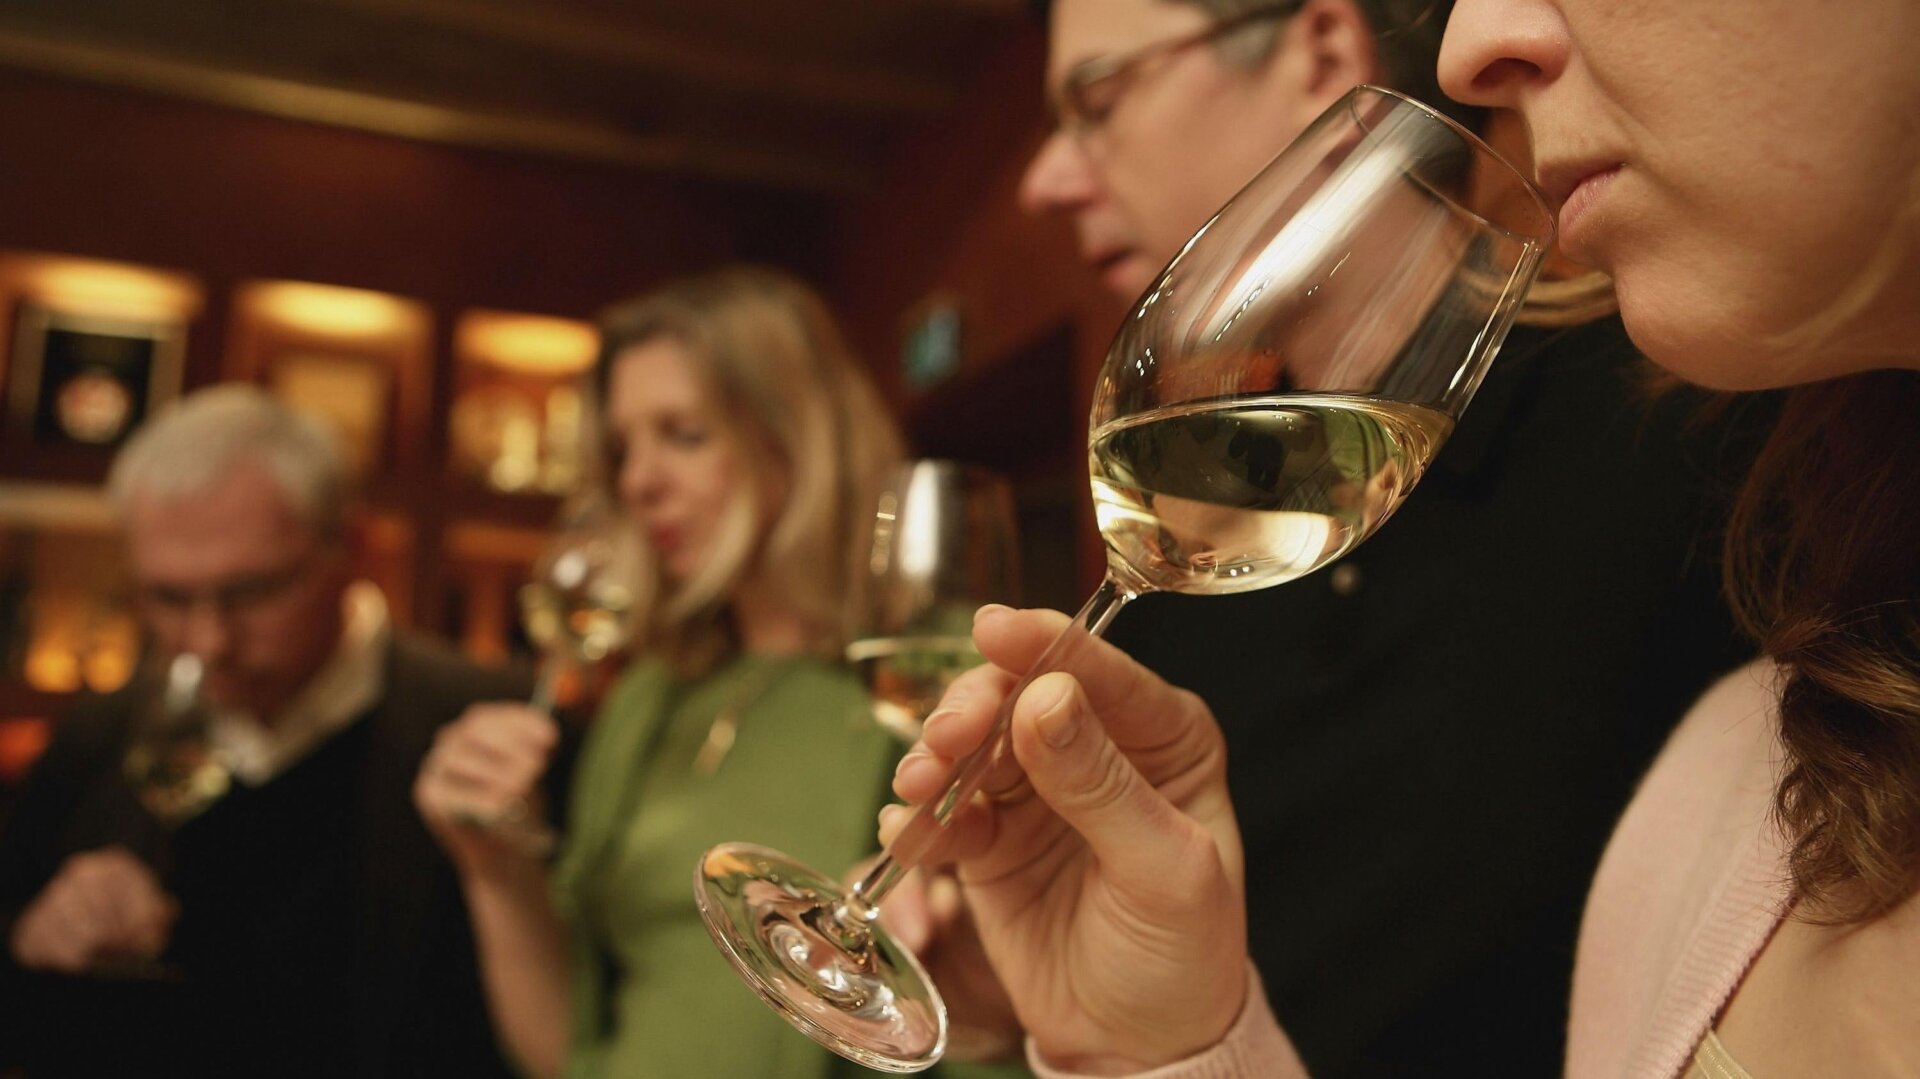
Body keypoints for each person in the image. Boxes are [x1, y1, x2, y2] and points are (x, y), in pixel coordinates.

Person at [889, 0, 1920, 1076]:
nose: (1041, 179)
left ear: (1326, 54)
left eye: (1099, 101)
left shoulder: (1724, 430)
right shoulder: (1198, 556)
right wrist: (1048, 998)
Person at [414, 266, 930, 1079]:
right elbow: (570, 1053)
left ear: (797, 436)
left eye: (683, 434)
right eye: (623, 449)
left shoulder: (929, 671)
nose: (636, 482)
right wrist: (495, 869)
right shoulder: (652, 693)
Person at [0, 385, 526, 1077]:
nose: (208, 641)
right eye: (168, 597)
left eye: (251, 592)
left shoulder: (489, 727)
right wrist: (35, 942)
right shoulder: (103, 734)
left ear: (354, 549)